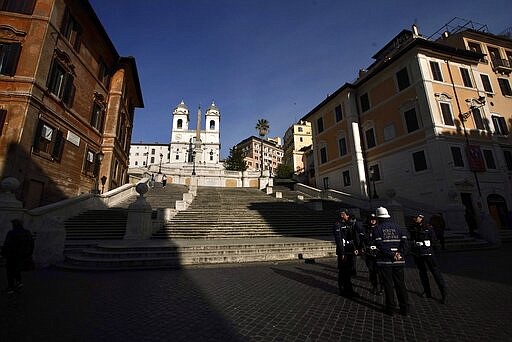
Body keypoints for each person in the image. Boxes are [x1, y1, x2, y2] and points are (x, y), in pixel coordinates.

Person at [372, 207, 409, 316]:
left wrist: (392, 255)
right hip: (399, 260)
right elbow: (405, 243)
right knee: (400, 284)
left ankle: (391, 308)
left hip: (385, 261)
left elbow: (380, 245)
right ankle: (405, 308)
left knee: (388, 285)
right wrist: (400, 254)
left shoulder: (377, 229)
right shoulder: (399, 227)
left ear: (378, 218)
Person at [410, 214, 447, 304]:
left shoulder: (428, 227)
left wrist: (428, 244)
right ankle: (427, 291)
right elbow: (412, 240)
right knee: (422, 273)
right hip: (418, 253)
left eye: (416, 217)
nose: (415, 219)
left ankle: (443, 293)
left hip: (428, 253)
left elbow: (434, 239)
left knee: (435, 272)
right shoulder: (413, 228)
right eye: (414, 218)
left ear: (421, 218)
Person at [1, 219, 34, 294]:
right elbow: (32, 244)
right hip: (24, 255)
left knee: (10, 272)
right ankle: (19, 282)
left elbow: (7, 245)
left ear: (14, 225)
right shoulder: (27, 232)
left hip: (12, 256)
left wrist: (3, 254)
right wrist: (29, 254)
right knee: (17, 269)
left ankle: (10, 287)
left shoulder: (12, 233)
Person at [332, 208, 360, 297]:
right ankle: (343, 290)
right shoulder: (338, 224)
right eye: (345, 214)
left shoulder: (348, 224)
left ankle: (349, 289)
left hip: (349, 250)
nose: (347, 216)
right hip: (343, 251)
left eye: (347, 214)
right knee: (343, 271)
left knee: (348, 271)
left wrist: (355, 248)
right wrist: (342, 253)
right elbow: (339, 239)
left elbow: (351, 238)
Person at [361, 213, 383, 295]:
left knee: (380, 271)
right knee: (371, 271)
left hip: (378, 252)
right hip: (369, 253)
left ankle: (382, 287)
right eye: (371, 219)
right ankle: (374, 286)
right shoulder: (365, 228)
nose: (373, 220)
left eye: (374, 219)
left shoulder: (379, 228)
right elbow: (363, 239)